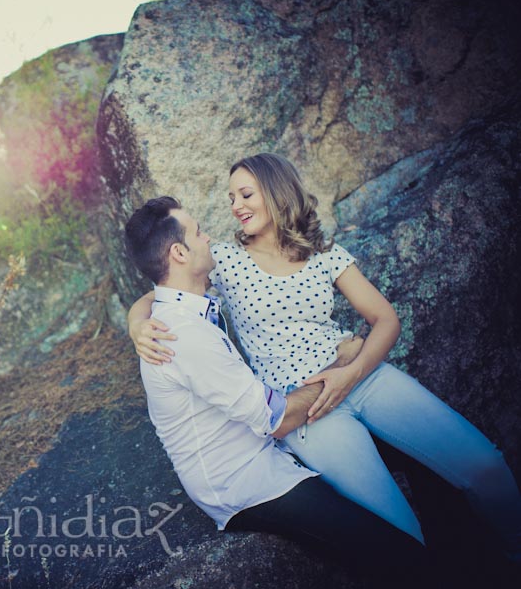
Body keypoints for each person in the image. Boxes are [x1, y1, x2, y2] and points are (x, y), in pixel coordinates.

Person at [128, 153, 521, 561]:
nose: (235, 206)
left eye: (245, 194)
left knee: (485, 467)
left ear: (277, 192)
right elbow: (162, 291)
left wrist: (352, 372)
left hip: (364, 379)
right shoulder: (225, 260)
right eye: (231, 198)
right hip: (308, 412)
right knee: (398, 530)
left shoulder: (325, 252)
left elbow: (385, 318)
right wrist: (136, 324)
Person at [123, 196, 425, 577]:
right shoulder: (183, 335)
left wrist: (134, 319)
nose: (209, 237)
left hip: (263, 445)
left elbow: (154, 296)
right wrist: (343, 365)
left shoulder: (187, 305)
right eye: (199, 232)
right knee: (399, 552)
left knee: (419, 458)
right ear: (180, 253)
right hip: (245, 482)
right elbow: (276, 418)